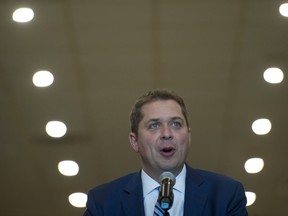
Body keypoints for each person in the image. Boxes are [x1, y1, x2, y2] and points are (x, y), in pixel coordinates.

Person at [83, 89, 248, 216]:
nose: (167, 133)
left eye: (176, 124)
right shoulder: (103, 202)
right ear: (135, 142)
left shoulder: (226, 194)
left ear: (188, 136)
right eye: (154, 125)